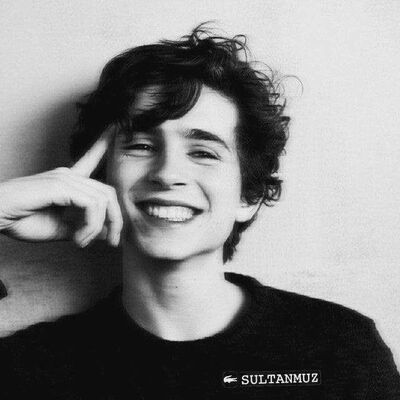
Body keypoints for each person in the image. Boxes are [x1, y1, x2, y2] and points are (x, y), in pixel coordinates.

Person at [0, 25, 399, 400]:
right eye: (141, 146)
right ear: (100, 181)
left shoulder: (340, 350)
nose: (168, 173)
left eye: (204, 153)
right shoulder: (28, 370)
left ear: (249, 195)